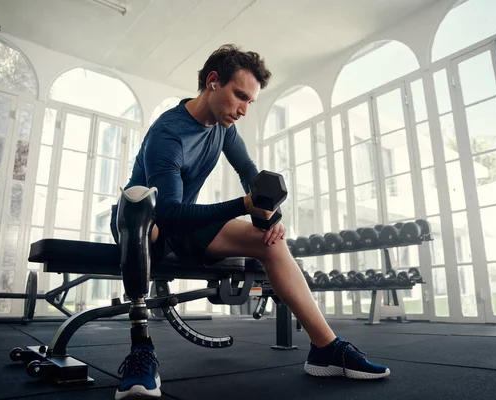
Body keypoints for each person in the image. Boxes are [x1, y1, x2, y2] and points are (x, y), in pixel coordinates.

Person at [110, 44, 389, 400]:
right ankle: (141, 351)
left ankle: (326, 348)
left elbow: (252, 178)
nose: (243, 110)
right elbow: (169, 213)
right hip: (143, 221)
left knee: (270, 242)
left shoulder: (223, 129)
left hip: (181, 222)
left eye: (250, 102)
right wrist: (244, 205)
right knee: (144, 221)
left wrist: (271, 214)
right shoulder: (169, 133)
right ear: (213, 82)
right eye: (239, 96)